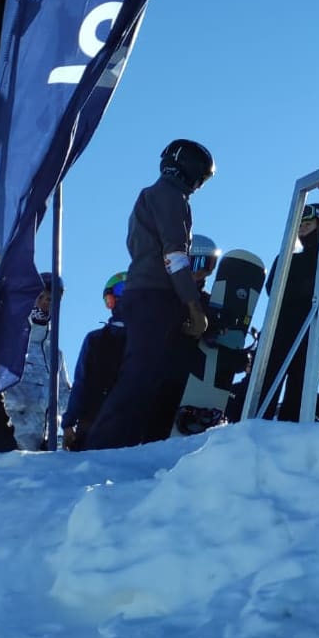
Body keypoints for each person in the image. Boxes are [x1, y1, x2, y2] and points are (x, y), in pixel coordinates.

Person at [85, 139, 215, 450]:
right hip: (157, 295)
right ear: (192, 169)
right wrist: (193, 305)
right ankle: (107, 447)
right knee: (141, 377)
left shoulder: (150, 196)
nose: (200, 185)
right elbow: (175, 254)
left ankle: (121, 445)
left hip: (142, 293)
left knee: (144, 374)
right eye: (204, 177)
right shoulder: (172, 196)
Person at [257, 203, 319, 422]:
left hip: (316, 336)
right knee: (264, 390)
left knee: (300, 398)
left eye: (308, 224)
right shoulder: (288, 260)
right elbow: (275, 291)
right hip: (282, 331)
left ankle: (289, 442)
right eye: (300, 225)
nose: (302, 230)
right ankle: (252, 433)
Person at [3, 272, 72, 450]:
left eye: (50, 299)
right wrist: (29, 402)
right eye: (40, 297)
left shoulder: (55, 353)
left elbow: (64, 395)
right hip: (15, 445)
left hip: (47, 445)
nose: (44, 302)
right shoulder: (11, 345)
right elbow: (0, 392)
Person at [62, 273, 128, 450]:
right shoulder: (95, 340)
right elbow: (81, 383)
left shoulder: (146, 341)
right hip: (95, 422)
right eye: (121, 291)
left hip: (129, 423)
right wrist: (69, 424)